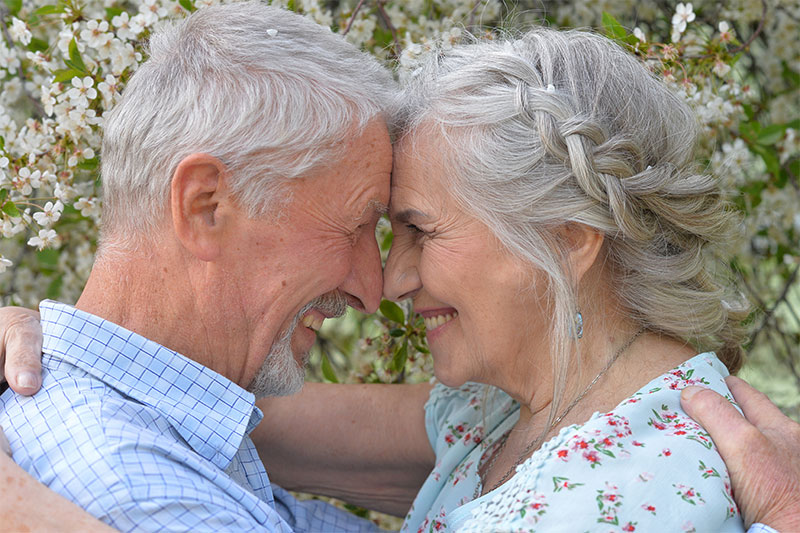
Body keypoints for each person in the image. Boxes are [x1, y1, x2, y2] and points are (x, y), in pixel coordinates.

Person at [1, 19, 800, 533]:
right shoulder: (488, 420)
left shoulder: (627, 484)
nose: (380, 284)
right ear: (205, 204)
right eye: (367, 226)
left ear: (566, 240)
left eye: (415, 228)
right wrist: (65, 347)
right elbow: (199, 410)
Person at [0, 2, 400, 531]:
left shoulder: (173, 430)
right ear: (205, 206)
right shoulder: (146, 497)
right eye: (354, 226)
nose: (372, 291)